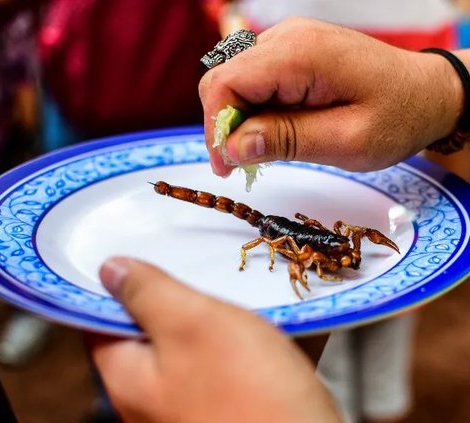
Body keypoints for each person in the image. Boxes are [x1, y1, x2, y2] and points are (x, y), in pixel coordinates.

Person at [91, 17, 469, 422]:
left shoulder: (343, 246)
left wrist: (444, 88)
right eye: (348, 254)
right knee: (329, 358)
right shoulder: (318, 255)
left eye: (350, 252)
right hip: (277, 231)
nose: (351, 255)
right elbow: (305, 252)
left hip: (297, 230)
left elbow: (349, 233)